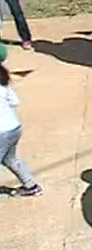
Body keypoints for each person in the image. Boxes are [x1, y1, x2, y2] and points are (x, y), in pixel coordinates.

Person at [0, 44, 40, 197]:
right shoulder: (3, 79)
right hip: (14, 128)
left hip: (1, 132)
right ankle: (31, 186)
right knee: (10, 159)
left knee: (9, 159)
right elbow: (15, 101)